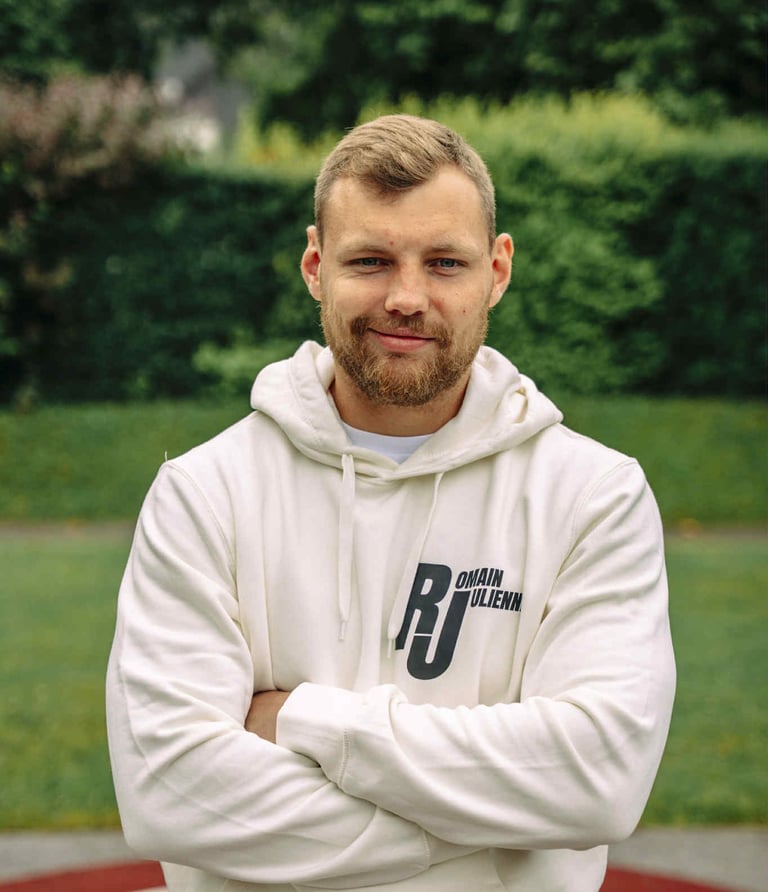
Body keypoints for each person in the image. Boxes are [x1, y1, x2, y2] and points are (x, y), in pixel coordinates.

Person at [106, 114, 675, 892]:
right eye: (370, 260)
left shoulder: (594, 496)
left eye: (445, 262)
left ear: (498, 271)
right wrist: (491, 836)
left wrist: (305, 721)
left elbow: (598, 778)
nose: (406, 297)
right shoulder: (204, 494)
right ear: (315, 266)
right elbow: (167, 796)